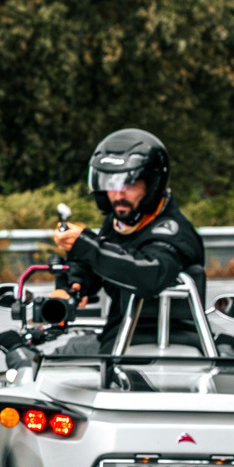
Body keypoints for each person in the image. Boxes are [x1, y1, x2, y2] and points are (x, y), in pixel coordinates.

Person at [50, 128, 207, 346]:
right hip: (119, 334)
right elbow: (105, 263)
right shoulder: (119, 223)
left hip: (148, 340)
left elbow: (150, 274)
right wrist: (76, 284)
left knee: (38, 360)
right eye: (111, 183)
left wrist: (87, 246)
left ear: (152, 185)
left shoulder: (173, 232)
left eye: (129, 184)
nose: (119, 193)